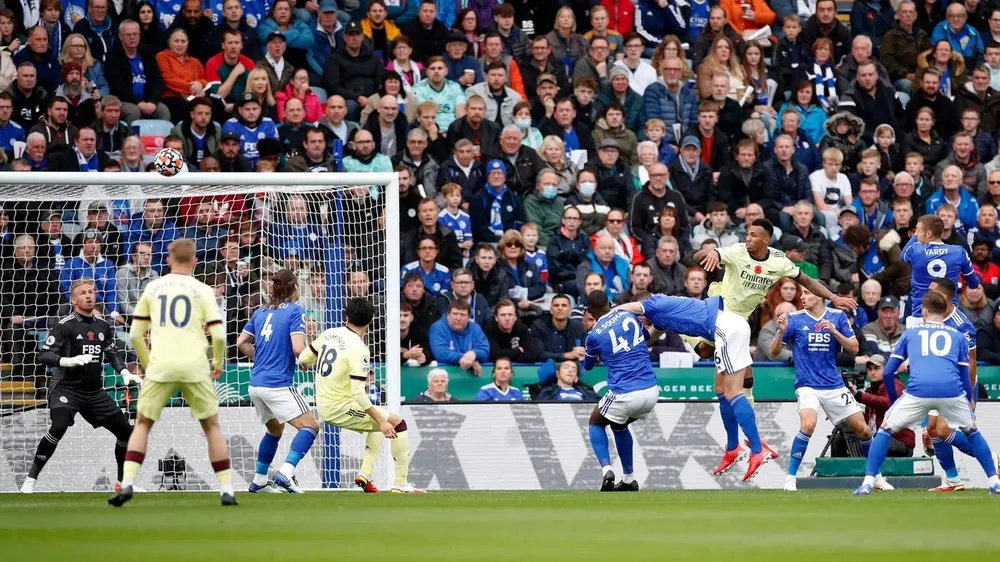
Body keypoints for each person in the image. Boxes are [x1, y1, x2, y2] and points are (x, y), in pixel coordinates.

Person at [694, 219, 857, 440]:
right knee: (725, 374)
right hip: (719, 311)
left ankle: (746, 441)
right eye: (747, 234)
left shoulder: (779, 262)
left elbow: (807, 281)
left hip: (740, 322)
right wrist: (710, 252)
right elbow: (698, 259)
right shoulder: (736, 251)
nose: (747, 238)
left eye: (753, 235)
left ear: (766, 240)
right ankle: (747, 440)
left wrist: (833, 297)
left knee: (726, 372)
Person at [109, 240, 233, 506]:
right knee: (211, 427)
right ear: (195, 261)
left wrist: (147, 362)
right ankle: (226, 489)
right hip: (195, 364)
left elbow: (135, 333)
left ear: (168, 259)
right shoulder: (202, 290)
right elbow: (219, 334)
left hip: (161, 365)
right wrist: (219, 362)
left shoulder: (154, 287)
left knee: (142, 424)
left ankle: (128, 482)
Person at [854, 292, 1000, 496]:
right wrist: (967, 401)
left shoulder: (911, 333)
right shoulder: (957, 335)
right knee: (972, 431)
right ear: (944, 311)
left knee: (885, 430)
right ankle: (994, 482)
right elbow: (965, 375)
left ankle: (869, 481)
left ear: (923, 311)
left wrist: (895, 403)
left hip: (918, 391)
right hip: (951, 392)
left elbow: (888, 371)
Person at [19, 279, 137, 494]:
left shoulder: (103, 326)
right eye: (83, 293)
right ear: (74, 300)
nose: (88, 295)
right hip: (66, 388)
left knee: (127, 433)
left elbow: (111, 353)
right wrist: (66, 361)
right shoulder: (65, 325)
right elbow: (43, 354)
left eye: (91, 292)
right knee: (59, 427)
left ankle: (123, 483)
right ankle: (30, 480)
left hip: (94, 391)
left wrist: (124, 371)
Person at [769, 285, 891, 492]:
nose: (802, 296)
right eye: (802, 292)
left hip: (834, 385)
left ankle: (876, 476)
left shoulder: (837, 317)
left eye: (806, 293)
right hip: (808, 385)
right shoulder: (795, 319)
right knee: (808, 425)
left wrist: (834, 332)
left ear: (819, 296)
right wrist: (781, 331)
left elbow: (854, 347)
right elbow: (773, 352)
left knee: (862, 430)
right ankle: (790, 478)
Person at [296, 297, 423, 494]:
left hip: (324, 403)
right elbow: (358, 393)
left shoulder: (330, 333)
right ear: (370, 321)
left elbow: (304, 357)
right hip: (339, 407)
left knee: (380, 420)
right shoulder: (359, 349)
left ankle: (364, 474)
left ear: (346, 316)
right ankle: (401, 483)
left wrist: (306, 363)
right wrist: (381, 421)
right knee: (396, 423)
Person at [234, 269, 319, 494]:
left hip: (256, 384)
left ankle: (260, 480)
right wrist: (309, 358)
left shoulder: (261, 311)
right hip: (276, 384)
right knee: (310, 426)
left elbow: (241, 341)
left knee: (274, 430)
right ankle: (286, 472)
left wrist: (260, 357)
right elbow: (298, 348)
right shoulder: (295, 311)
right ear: (293, 288)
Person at [581, 290, 659, 491]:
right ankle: (628, 479)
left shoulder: (594, 335)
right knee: (619, 425)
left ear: (589, 312)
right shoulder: (628, 315)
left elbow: (588, 366)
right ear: (609, 302)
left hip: (625, 392)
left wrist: (596, 355)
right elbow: (643, 339)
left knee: (596, 422)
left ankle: (606, 469)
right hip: (651, 390)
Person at [901, 214, 980, 324]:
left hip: (921, 315)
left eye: (918, 230)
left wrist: (915, 237)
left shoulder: (915, 250)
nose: (916, 234)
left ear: (928, 233)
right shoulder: (958, 252)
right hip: (949, 315)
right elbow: (974, 284)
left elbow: (902, 256)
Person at [105, 20, 171, 124]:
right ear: (120, 36)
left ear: (139, 35)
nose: (132, 37)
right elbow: (118, 85)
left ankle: (160, 140)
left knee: (163, 110)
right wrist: (138, 102)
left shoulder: (147, 54)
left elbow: (157, 80)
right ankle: (130, 139)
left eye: (135, 34)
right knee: (133, 111)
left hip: (147, 101)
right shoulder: (113, 56)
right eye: (128, 34)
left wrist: (153, 101)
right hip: (124, 100)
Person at [428, 299, 489, 374]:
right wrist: (468, 359)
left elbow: (485, 351)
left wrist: (474, 353)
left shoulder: (475, 328)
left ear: (469, 317)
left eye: (463, 315)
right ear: (448, 315)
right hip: (444, 375)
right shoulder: (437, 328)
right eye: (455, 314)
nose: (458, 318)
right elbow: (441, 353)